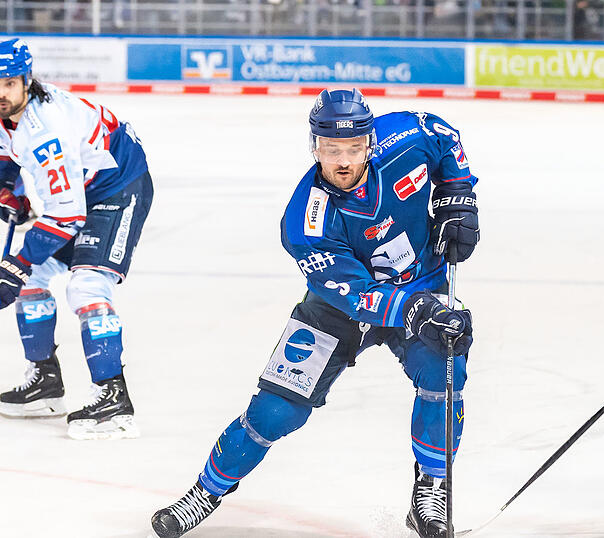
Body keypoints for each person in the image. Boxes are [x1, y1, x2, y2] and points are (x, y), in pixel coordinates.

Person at [149, 88, 479, 538]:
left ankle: (431, 489)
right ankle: (204, 493)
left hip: (419, 284)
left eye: (353, 148)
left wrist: (458, 193)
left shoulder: (407, 135)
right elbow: (355, 295)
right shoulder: (306, 219)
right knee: (275, 411)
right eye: (331, 149)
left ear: (370, 141)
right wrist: (416, 310)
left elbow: (443, 135)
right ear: (314, 146)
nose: (343, 161)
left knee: (445, 371)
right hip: (338, 308)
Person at [0, 38, 153, 440]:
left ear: (26, 81)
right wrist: (6, 189)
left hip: (118, 187)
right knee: (30, 282)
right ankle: (45, 383)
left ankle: (113, 397)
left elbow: (67, 214)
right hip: (82, 189)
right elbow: (5, 153)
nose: (1, 93)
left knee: (85, 285)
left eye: (9, 83)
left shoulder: (46, 129)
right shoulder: (9, 113)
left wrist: (17, 262)